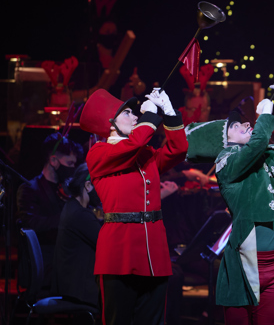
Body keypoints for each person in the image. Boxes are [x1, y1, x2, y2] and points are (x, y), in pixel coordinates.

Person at [184, 73, 274, 325]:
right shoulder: (226, 162)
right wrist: (265, 117)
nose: (245, 125)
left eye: (244, 123)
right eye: (236, 126)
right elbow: (254, 149)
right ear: (225, 142)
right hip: (244, 267)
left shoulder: (269, 154)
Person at [79, 88, 188, 325]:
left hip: (154, 251)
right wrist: (150, 117)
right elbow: (133, 144)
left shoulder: (144, 153)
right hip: (120, 252)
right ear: (110, 123)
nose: (135, 116)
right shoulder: (99, 153)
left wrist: (169, 113)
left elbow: (177, 151)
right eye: (127, 113)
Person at [17, 132, 83, 292]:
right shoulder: (29, 189)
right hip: (44, 263)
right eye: (69, 163)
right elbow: (30, 224)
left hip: (65, 259)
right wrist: (66, 219)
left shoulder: (68, 189)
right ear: (53, 160)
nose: (72, 169)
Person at [51, 163, 102, 308]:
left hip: (72, 285)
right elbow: (107, 245)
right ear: (88, 185)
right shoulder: (81, 215)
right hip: (80, 290)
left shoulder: (71, 206)